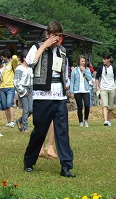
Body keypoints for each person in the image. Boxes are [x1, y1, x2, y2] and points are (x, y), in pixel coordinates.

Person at [22, 21, 75, 177]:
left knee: (62, 130)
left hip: (59, 95)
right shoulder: (37, 47)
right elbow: (29, 62)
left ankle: (66, 166)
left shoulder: (62, 51)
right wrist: (44, 45)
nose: (56, 39)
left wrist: (67, 87)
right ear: (47, 34)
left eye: (59, 36)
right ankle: (29, 161)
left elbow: (65, 72)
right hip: (42, 95)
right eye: (54, 35)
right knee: (40, 130)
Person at [95, 53, 116, 127]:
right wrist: (97, 86)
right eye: (103, 59)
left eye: (105, 59)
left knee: (111, 107)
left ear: (108, 59)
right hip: (103, 88)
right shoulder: (100, 67)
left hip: (112, 88)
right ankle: (105, 120)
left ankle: (109, 120)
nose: (103, 60)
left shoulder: (114, 67)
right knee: (104, 105)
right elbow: (97, 77)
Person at [70, 56, 93, 128]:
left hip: (86, 90)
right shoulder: (75, 70)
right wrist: (72, 92)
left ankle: (86, 119)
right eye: (82, 61)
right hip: (77, 90)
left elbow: (90, 78)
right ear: (79, 62)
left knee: (87, 105)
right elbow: (72, 81)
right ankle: (80, 121)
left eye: (84, 61)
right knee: (79, 106)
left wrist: (85, 71)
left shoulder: (88, 69)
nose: (83, 63)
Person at [0, 54, 16, 128]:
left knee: (9, 104)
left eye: (3, 57)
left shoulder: (12, 64)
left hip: (10, 86)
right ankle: (8, 121)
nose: (2, 58)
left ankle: (12, 121)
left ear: (6, 56)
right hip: (3, 87)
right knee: (5, 105)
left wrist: (12, 57)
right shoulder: (3, 66)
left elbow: (15, 59)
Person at [14, 56, 33, 132]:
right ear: (24, 58)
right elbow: (16, 82)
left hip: (30, 88)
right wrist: (23, 91)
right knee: (26, 109)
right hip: (23, 88)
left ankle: (19, 121)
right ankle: (25, 127)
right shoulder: (19, 68)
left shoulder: (30, 68)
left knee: (31, 109)